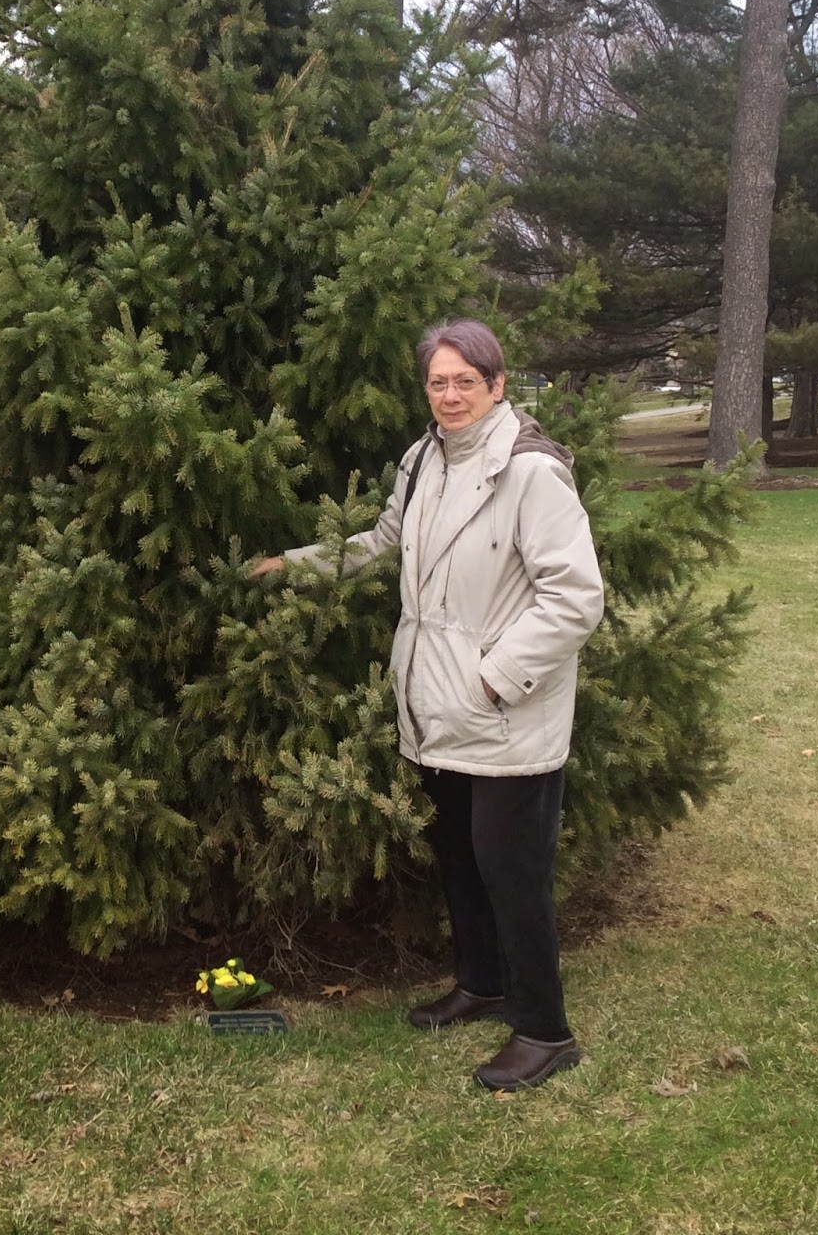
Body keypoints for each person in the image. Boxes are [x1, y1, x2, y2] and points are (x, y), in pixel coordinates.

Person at [253, 318, 604, 1092]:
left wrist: (494, 676)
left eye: (465, 381)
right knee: (460, 859)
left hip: (504, 711)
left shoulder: (530, 472)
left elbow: (575, 598)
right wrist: (296, 564)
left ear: (496, 384)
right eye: (437, 382)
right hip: (435, 706)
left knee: (512, 873)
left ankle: (544, 1032)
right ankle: (480, 983)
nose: (450, 395)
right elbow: (383, 540)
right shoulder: (421, 460)